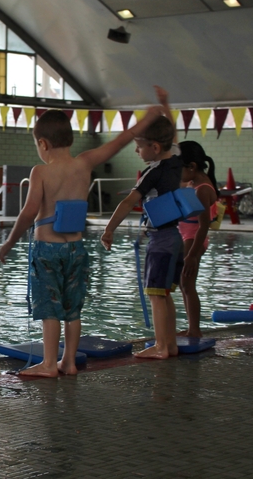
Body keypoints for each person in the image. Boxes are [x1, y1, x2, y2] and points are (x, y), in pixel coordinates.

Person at [0, 106, 162, 376]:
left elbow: (28, 213)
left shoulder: (40, 171)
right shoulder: (84, 162)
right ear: (71, 139)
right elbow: (121, 139)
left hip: (47, 251)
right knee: (72, 310)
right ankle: (69, 362)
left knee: (50, 310)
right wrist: (150, 117)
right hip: (76, 249)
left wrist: (9, 242)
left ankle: (49, 364)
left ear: (43, 143)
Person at [101, 104, 183, 360]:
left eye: (139, 146)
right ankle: (170, 344)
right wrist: (165, 105)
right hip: (176, 239)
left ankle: (160, 346)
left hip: (160, 242)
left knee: (156, 296)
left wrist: (109, 229)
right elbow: (174, 136)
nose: (136, 150)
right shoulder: (177, 161)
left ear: (155, 148)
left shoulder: (152, 172)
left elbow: (127, 202)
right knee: (165, 294)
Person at [178, 141, 218, 337]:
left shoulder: (202, 189)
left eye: (180, 169)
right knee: (184, 284)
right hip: (187, 234)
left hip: (194, 238)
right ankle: (191, 326)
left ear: (192, 166)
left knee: (187, 284)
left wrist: (192, 255)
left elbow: (204, 225)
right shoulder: (192, 183)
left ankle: (195, 329)